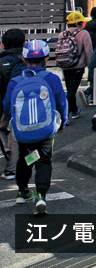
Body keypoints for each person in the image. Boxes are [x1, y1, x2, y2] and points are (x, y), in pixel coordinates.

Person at [2, 40, 68, 215]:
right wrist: (64, 121)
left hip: (22, 132)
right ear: (46, 58)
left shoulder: (15, 82)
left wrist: (11, 124)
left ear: (23, 59)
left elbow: (7, 106)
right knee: (44, 161)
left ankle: (22, 192)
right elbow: (62, 103)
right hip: (45, 130)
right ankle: (41, 196)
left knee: (26, 158)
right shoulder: (52, 79)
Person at [54, 11, 93, 119]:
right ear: (77, 24)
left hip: (65, 65)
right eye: (81, 23)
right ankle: (65, 114)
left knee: (70, 88)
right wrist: (91, 67)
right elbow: (89, 51)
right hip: (78, 66)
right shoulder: (83, 33)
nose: (82, 25)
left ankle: (74, 110)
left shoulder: (61, 34)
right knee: (71, 91)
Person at [1, 28, 27, 179]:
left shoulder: (1, 62)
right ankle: (26, 161)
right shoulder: (28, 60)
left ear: (3, 45)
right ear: (24, 43)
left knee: (5, 131)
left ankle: (11, 165)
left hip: (6, 105)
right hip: (28, 105)